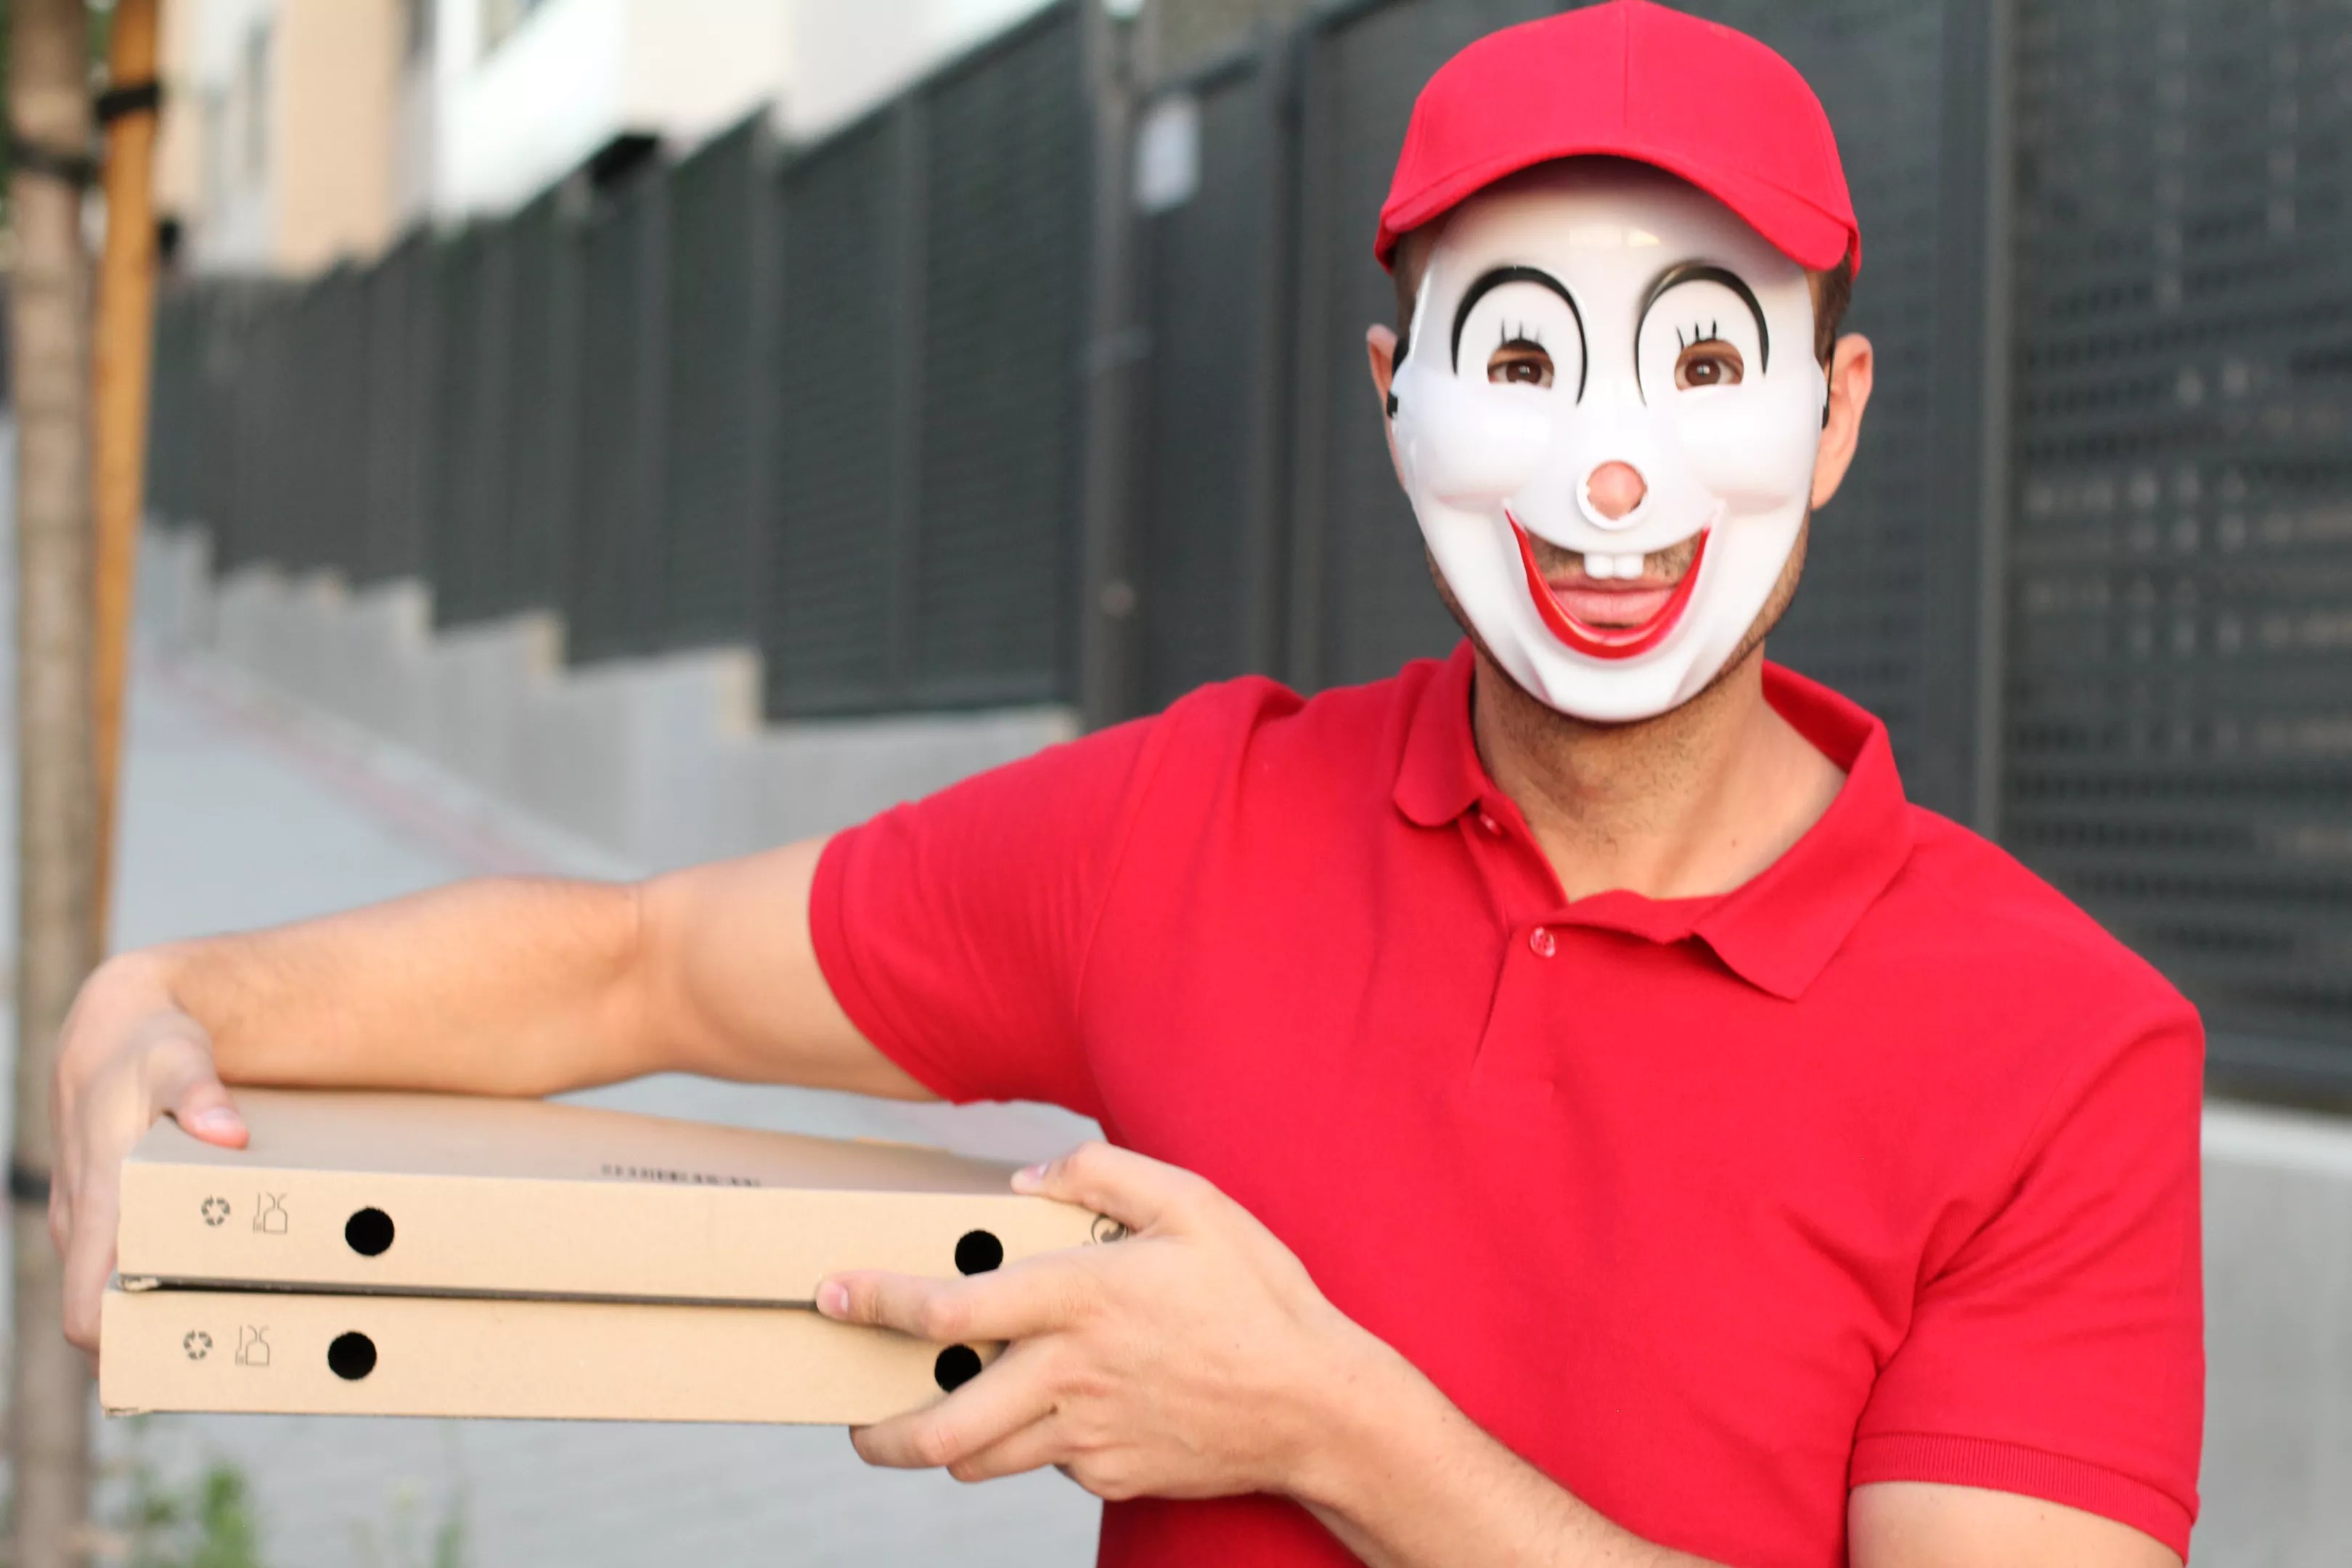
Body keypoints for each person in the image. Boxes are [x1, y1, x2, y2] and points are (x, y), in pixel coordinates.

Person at [52, 4, 2201, 1565]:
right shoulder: (1199, 828)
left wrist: (1330, 1424)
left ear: (1831, 417)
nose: (1609, 471)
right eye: (1524, 358)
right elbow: (626, 967)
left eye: (1704, 361)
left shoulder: (2065, 1055)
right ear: (1396, 399)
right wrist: (180, 998)